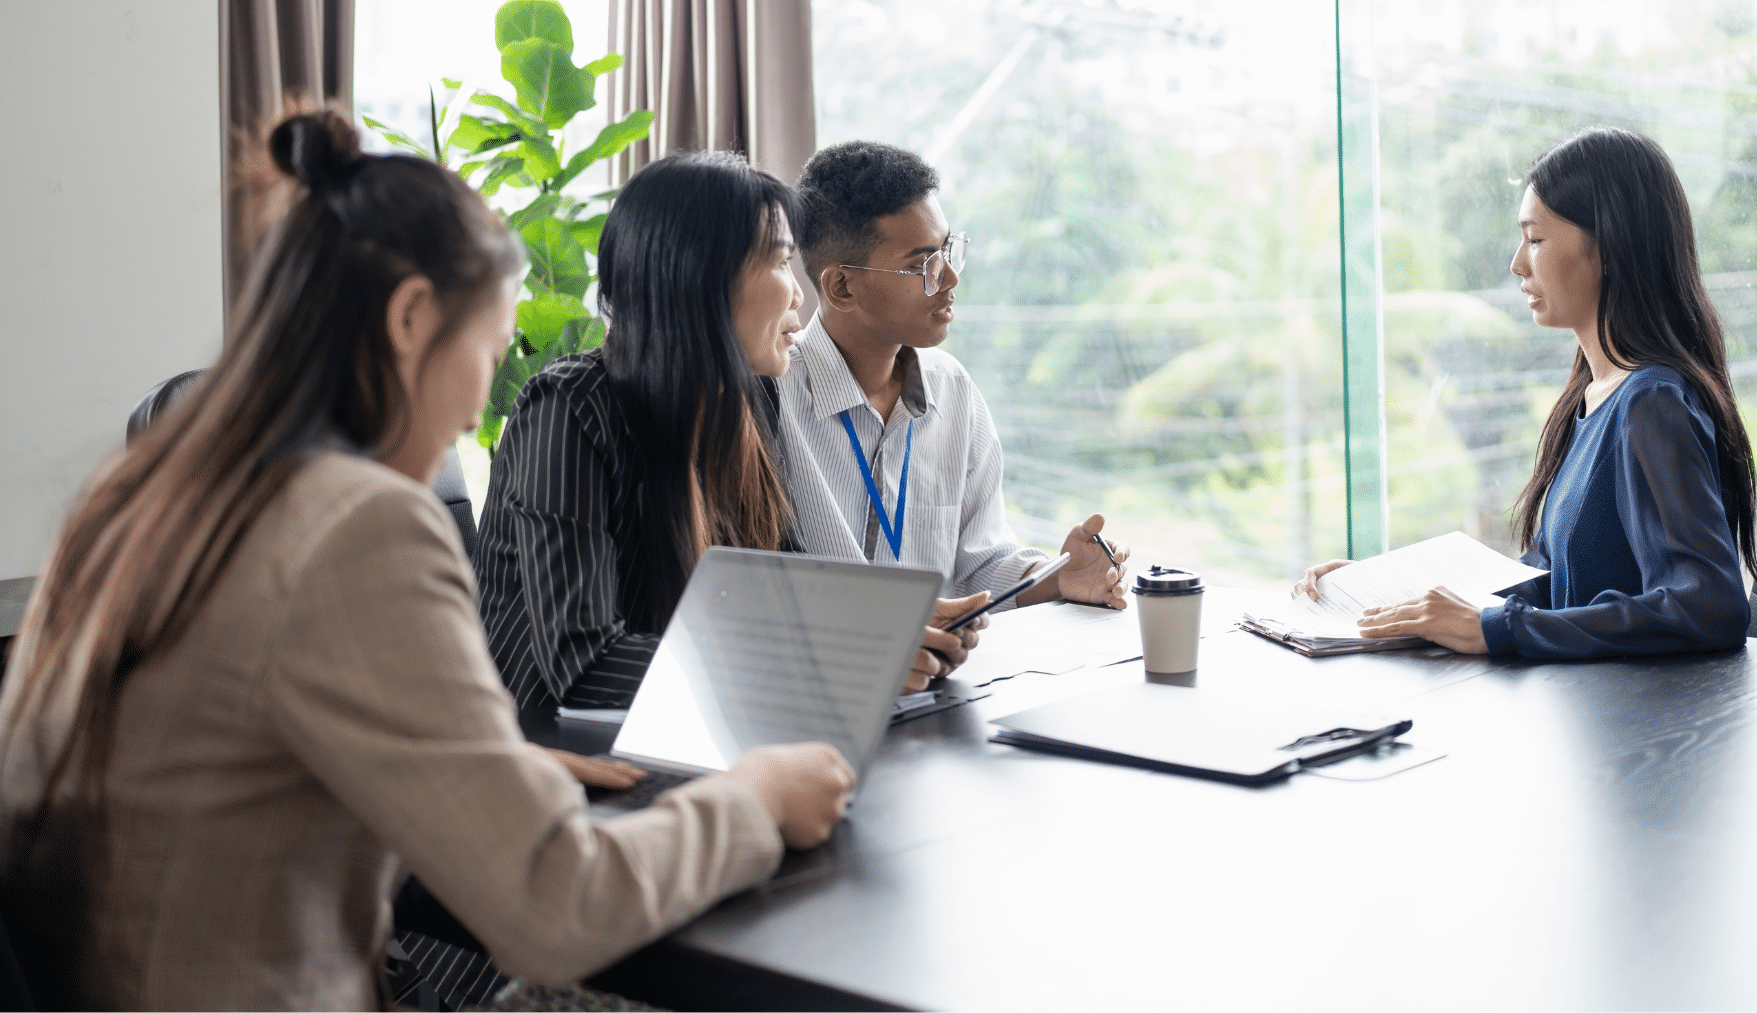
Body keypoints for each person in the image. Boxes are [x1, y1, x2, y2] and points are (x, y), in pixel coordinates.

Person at [0, 110, 853, 1011]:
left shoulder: (135, 497)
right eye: (487, 352)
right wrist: (754, 800)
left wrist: (484, 765)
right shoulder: (360, 528)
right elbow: (557, 903)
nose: (475, 409)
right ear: (413, 319)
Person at [476, 152, 987, 730]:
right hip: (561, 769)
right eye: (781, 262)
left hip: (693, 742)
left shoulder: (750, 402)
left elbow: (788, 595)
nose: (800, 296)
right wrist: (838, 662)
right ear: (701, 278)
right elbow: (586, 667)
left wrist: (894, 630)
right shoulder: (570, 410)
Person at [1298, 126, 1756, 659]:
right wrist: (1393, 592)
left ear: (1608, 249)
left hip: (1635, 726)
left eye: (1535, 239)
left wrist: (1503, 629)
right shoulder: (1593, 395)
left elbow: (1710, 606)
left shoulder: (1651, 404)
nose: (1518, 263)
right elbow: (1556, 579)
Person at [779, 141, 1130, 637]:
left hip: (938, 676)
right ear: (841, 288)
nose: (950, 279)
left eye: (947, 251)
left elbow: (980, 565)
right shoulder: (771, 398)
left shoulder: (954, 392)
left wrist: (1058, 576)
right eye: (922, 264)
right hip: (823, 683)